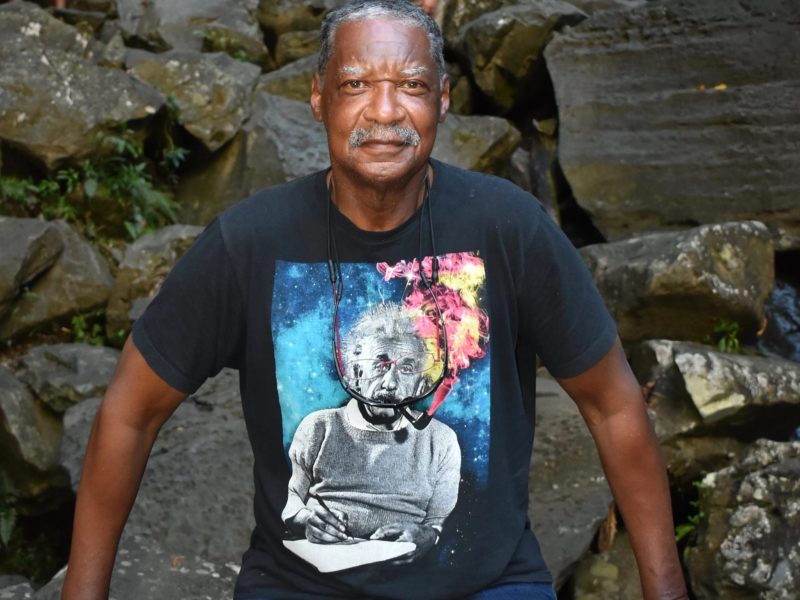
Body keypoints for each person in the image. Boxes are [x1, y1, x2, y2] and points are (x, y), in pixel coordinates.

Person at [61, 1, 689, 599]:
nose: (384, 111)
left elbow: (613, 406)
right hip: (299, 585)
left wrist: (669, 589)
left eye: (411, 86)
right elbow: (130, 412)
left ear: (442, 100)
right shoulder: (248, 244)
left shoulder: (510, 229)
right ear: (318, 97)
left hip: (487, 585)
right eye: (356, 84)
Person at [281, 303, 461, 569]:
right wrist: (305, 519)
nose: (390, 383)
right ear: (355, 374)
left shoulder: (441, 441)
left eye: (407, 369)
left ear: (421, 386)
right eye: (380, 365)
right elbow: (290, 498)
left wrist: (430, 535)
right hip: (319, 569)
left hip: (410, 577)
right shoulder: (319, 427)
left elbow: (442, 521)